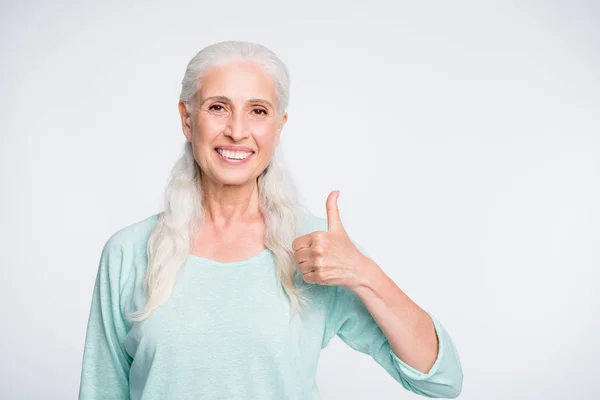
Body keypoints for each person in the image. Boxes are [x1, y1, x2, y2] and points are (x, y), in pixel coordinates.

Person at [78, 40, 463, 399]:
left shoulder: (317, 249)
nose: (237, 130)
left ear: (278, 126)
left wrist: (362, 272)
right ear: (187, 119)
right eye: (218, 107)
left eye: (258, 111)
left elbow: (440, 379)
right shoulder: (127, 252)